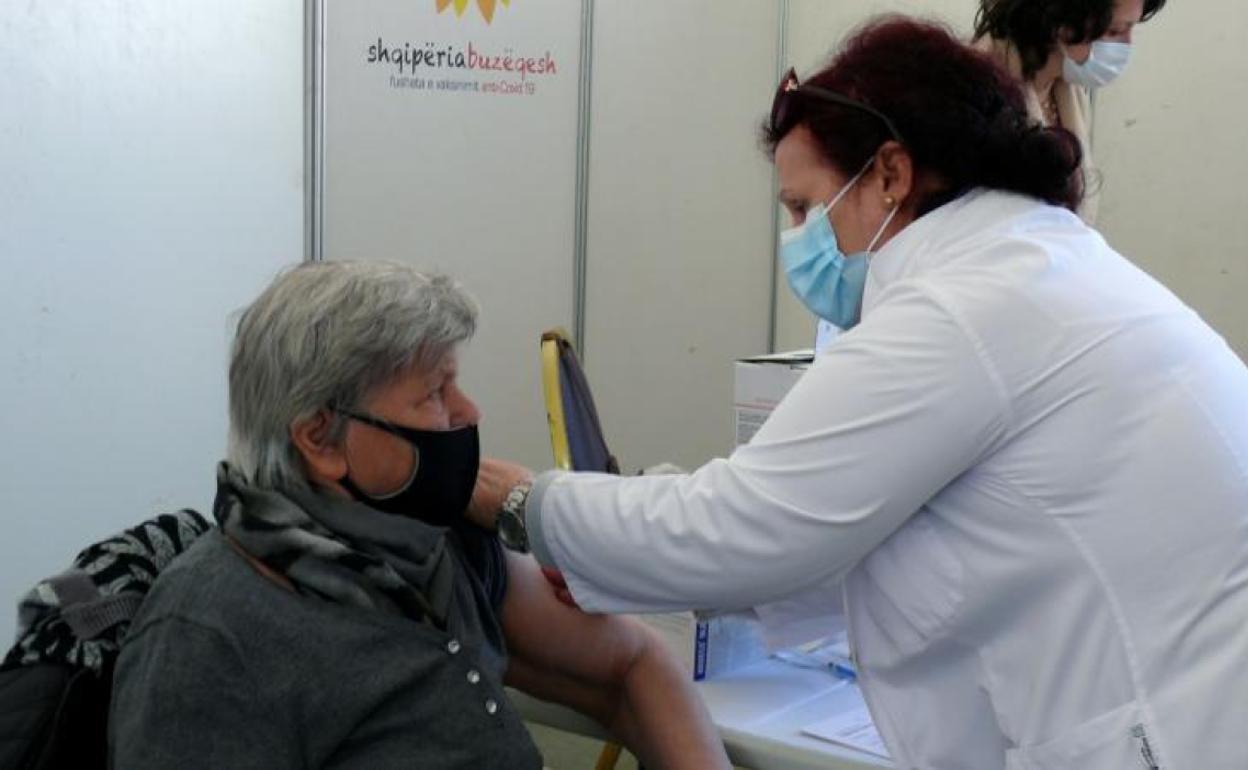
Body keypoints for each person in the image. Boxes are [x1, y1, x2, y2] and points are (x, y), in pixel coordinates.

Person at [468, 17, 1248, 770]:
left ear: (890, 174)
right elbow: (869, 536)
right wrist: (631, 555)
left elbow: (743, 525)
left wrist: (523, 503)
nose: (797, 240)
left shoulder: (960, 309)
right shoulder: (1032, 260)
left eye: (804, 207)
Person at [109, 262, 730, 769]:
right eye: (434, 392)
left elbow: (630, 665)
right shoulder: (209, 638)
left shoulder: (433, 549)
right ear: (320, 439)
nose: (469, 412)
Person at [973, 0, 1167, 223]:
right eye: (1115, 31)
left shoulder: (1067, 89)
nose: (1127, 45)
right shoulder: (977, 91)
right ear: (1060, 21)